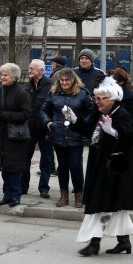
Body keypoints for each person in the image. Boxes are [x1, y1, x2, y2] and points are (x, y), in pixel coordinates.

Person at [64, 76, 133, 256]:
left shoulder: (121, 114)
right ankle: (124, 241)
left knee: (101, 205)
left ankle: (94, 243)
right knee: (114, 206)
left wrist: (114, 132)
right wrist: (75, 121)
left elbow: (129, 137)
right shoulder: (100, 113)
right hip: (99, 164)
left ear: (111, 100)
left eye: (100, 99)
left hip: (114, 168)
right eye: (95, 98)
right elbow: (89, 128)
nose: (97, 102)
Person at [40, 68, 94, 208]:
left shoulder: (82, 94)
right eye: (62, 80)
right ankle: (63, 196)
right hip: (58, 134)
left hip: (75, 135)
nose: (64, 82)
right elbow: (44, 110)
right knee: (62, 167)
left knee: (76, 166)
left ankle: (78, 195)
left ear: (73, 80)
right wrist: (48, 122)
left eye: (67, 80)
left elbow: (91, 112)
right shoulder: (53, 93)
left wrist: (82, 124)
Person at [0, 63, 31, 207]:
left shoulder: (22, 93)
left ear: (14, 77)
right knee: (4, 167)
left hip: (16, 136)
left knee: (15, 168)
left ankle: (16, 195)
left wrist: (3, 115)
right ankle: (7, 195)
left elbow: (25, 114)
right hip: (0, 135)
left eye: (5, 75)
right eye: (2, 75)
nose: (2, 77)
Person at [21, 59, 53, 198]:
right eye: (29, 68)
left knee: (46, 160)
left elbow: (53, 108)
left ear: (41, 71)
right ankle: (23, 187)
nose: (29, 70)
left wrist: (51, 126)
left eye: (32, 68)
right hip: (28, 129)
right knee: (24, 159)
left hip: (45, 129)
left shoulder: (51, 86)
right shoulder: (26, 87)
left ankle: (44, 188)